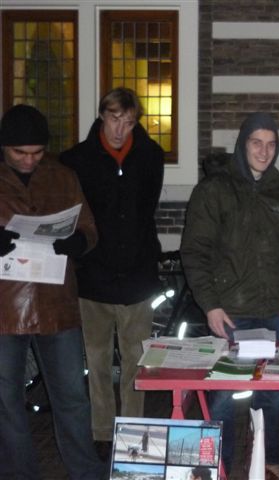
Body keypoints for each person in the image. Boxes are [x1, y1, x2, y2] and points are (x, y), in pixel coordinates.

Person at [180, 112, 279, 480]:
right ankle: (217, 465)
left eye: (271, 144)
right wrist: (211, 304)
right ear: (242, 144)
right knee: (224, 395)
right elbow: (195, 251)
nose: (264, 152)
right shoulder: (214, 190)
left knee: (272, 393)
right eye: (256, 143)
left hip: (270, 312)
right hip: (230, 312)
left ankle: (267, 459)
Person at [0, 105, 105, 479]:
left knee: (72, 399)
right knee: (6, 402)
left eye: (37, 153)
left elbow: (89, 228)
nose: (29, 160)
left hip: (56, 304)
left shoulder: (63, 177)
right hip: (4, 309)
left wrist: (79, 242)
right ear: (4, 147)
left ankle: (85, 473)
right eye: (19, 153)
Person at [59, 87, 165, 457]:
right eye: (115, 119)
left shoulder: (151, 156)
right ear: (102, 115)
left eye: (129, 121)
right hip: (94, 277)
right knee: (98, 360)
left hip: (137, 277)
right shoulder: (76, 160)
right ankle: (102, 433)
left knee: (137, 362)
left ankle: (133, 431)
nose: (121, 129)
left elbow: (145, 208)